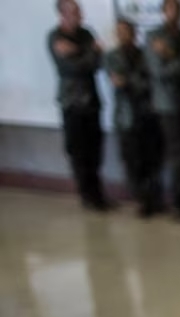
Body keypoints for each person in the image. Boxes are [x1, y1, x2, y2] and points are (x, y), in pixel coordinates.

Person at [48, 0, 108, 211]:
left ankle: (98, 194)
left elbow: (97, 64)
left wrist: (80, 51)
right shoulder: (55, 37)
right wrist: (90, 52)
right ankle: (87, 196)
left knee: (95, 150)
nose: (79, 15)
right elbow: (72, 68)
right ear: (62, 14)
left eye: (79, 11)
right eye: (73, 12)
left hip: (91, 101)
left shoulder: (86, 33)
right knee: (78, 151)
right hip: (72, 102)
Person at [147, 0, 180, 221]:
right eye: (170, 9)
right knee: (177, 156)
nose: (175, 13)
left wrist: (173, 58)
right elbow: (161, 72)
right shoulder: (154, 37)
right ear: (163, 12)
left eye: (178, 9)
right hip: (168, 104)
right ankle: (179, 205)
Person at [106, 19, 162, 217]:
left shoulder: (144, 55)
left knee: (151, 160)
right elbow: (117, 82)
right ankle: (141, 200)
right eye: (119, 32)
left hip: (147, 115)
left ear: (134, 33)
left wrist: (129, 81)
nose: (123, 35)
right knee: (132, 162)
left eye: (127, 31)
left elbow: (148, 83)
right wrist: (132, 81)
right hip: (125, 118)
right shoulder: (111, 56)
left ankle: (154, 198)